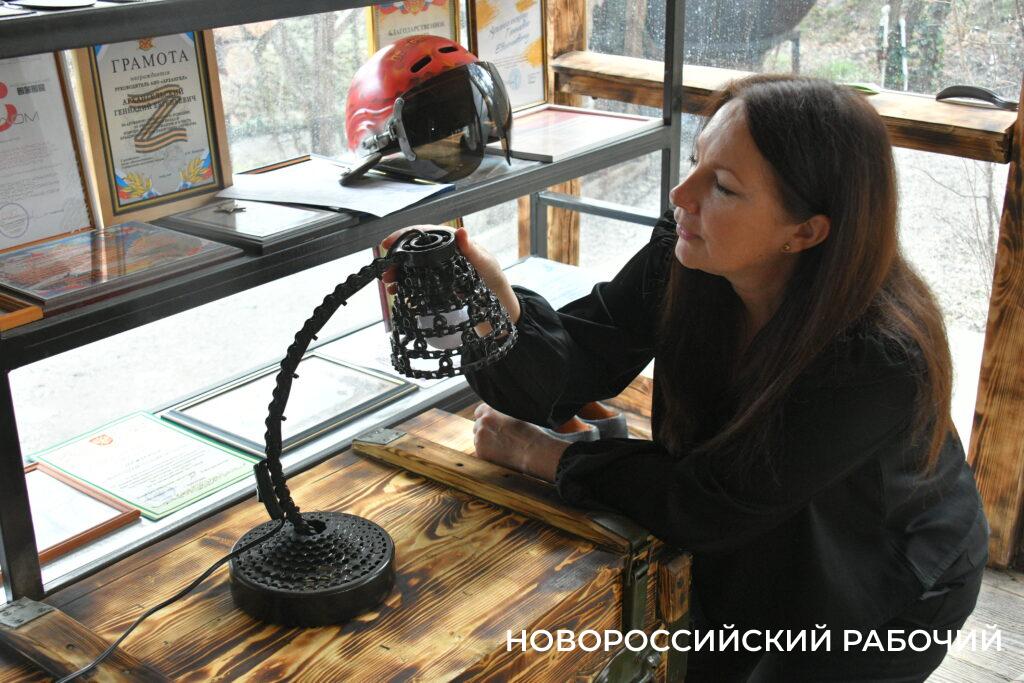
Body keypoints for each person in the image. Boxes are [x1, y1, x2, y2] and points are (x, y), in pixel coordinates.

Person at [381, 74, 988, 682]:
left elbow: (710, 503)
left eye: (722, 186)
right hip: (752, 535)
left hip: (881, 580)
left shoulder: (878, 358)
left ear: (805, 231)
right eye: (697, 160)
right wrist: (491, 315)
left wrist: (543, 455)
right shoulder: (687, 254)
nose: (680, 193)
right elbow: (579, 360)